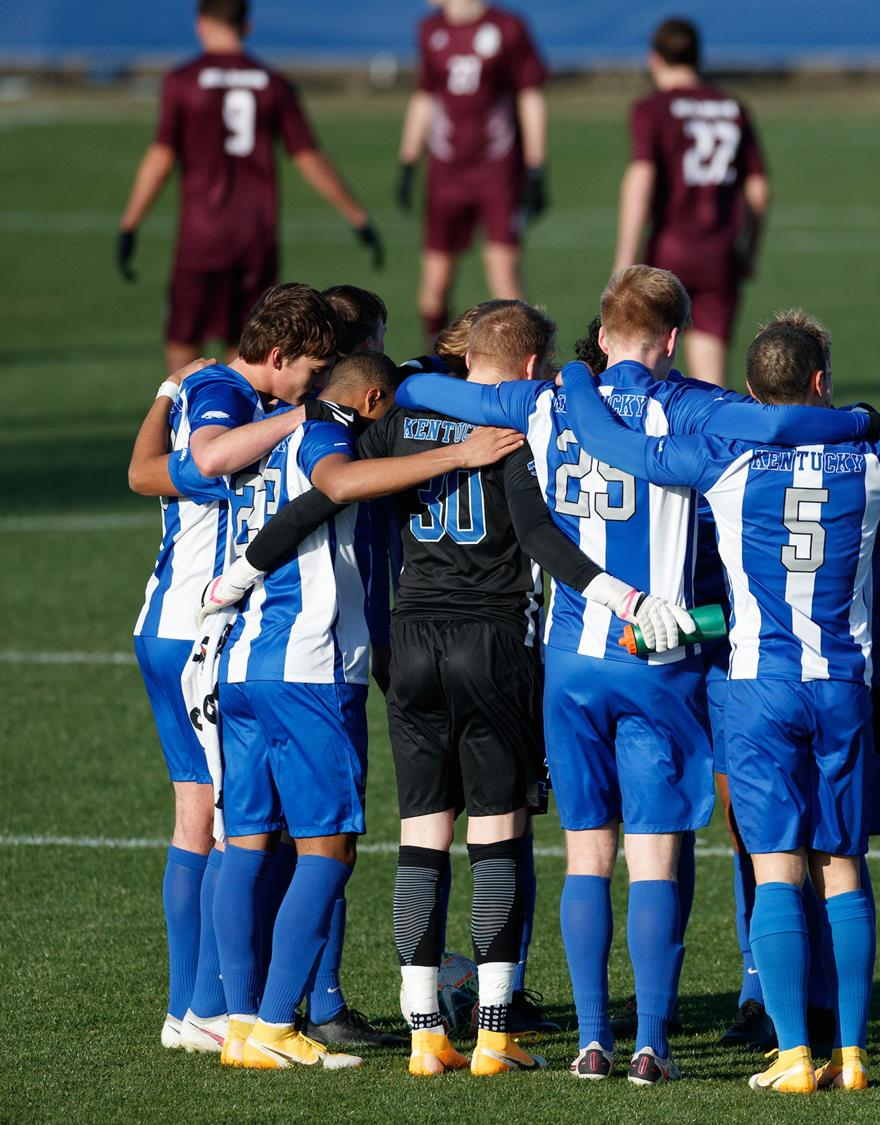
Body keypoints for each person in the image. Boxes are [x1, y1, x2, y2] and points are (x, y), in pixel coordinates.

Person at [394, 267, 880, 1084]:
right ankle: (650, 1041)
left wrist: (395, 376)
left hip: (569, 661)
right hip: (658, 658)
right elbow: (784, 429)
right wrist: (863, 419)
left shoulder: (546, 403)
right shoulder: (695, 405)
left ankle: (590, 1038)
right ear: (672, 340)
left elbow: (442, 393)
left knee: (585, 853)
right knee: (658, 858)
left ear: (602, 335)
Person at [561, 310, 880, 1094]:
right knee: (845, 867)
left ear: (753, 391)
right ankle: (851, 1054)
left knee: (778, 868)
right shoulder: (873, 463)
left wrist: (582, 378)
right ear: (822, 383)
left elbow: (622, 448)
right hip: (843, 688)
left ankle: (794, 1051)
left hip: (757, 689)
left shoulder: (722, 458)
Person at [198, 351, 517, 1069]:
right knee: (329, 847)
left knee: (246, 844)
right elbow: (340, 483)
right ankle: (278, 1022)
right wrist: (457, 453)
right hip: (306, 666)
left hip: (246, 659)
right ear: (371, 398)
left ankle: (242, 1026)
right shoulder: (324, 438)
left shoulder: (271, 434)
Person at [126, 285, 337, 1054]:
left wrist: (163, 390)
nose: (314, 387)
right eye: (309, 371)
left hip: (166, 625)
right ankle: (212, 1003)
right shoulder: (229, 392)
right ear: (277, 356)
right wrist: (300, 418)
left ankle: (189, 1010)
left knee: (196, 816)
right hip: (199, 632)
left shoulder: (212, 385)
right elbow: (211, 455)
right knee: (230, 825)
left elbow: (146, 472)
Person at [116, 0, 380, 374]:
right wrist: (358, 217)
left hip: (200, 237)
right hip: (254, 236)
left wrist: (129, 225)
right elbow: (308, 158)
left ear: (201, 23)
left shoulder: (182, 81)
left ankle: (179, 424)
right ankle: (236, 426)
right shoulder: (272, 83)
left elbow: (160, 161)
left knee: (182, 341)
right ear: (248, 27)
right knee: (247, 347)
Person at [613, 17, 770, 388]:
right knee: (711, 379)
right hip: (720, 252)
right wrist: (749, 249)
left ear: (654, 59)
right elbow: (759, 190)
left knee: (639, 369)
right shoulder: (732, 106)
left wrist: (625, 257)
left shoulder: (652, 108)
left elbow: (641, 181)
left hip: (668, 250)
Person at [397, 0, 549, 341]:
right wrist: (408, 160)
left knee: (504, 278)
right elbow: (425, 95)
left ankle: (521, 373)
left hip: (498, 171)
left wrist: (536, 165)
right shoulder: (429, 29)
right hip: (445, 173)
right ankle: (434, 366)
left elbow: (530, 95)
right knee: (434, 286)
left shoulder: (508, 27)